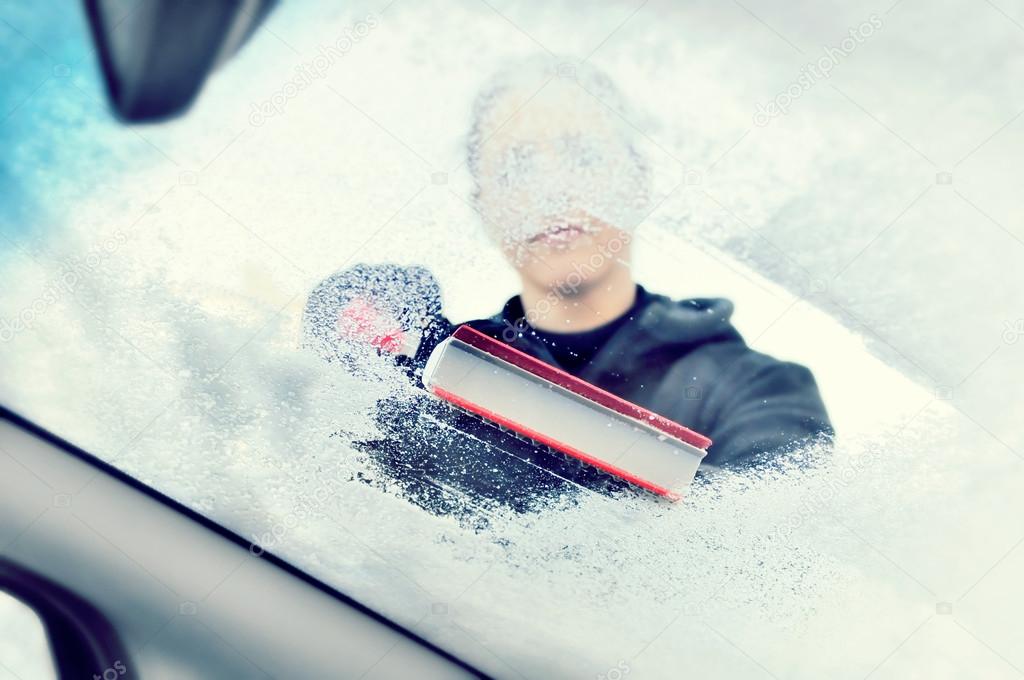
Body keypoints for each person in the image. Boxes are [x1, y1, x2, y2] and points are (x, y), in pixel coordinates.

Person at [303, 59, 832, 517]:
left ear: (637, 180)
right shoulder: (428, 357)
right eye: (517, 166)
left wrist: (489, 399)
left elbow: (752, 568)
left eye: (583, 156)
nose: (552, 190)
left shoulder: (759, 390)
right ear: (484, 207)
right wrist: (369, 359)